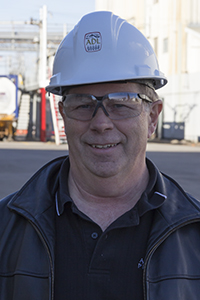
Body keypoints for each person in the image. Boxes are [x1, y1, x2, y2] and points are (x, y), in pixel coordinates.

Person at [0, 11, 200, 300]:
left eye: (121, 103)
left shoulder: (193, 234)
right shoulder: (6, 228)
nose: (101, 122)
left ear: (152, 117)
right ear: (63, 116)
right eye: (83, 104)